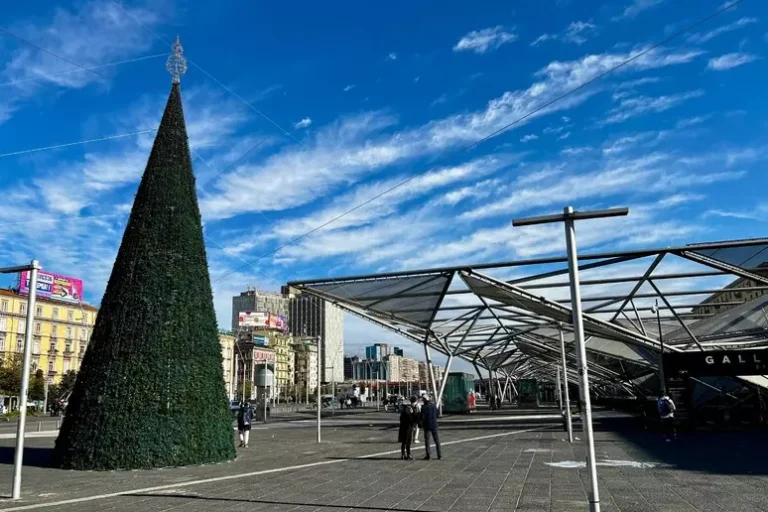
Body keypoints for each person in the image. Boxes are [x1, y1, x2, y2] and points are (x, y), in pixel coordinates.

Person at [421, 395, 442, 460]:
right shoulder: (433, 406)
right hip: (434, 424)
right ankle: (439, 455)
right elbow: (437, 414)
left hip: (427, 425)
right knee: (437, 440)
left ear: (425, 400)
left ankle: (428, 455)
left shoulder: (423, 407)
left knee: (427, 440)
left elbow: (422, 417)